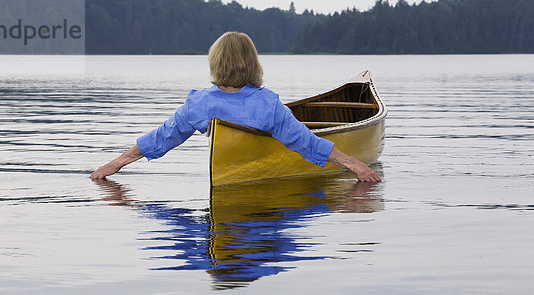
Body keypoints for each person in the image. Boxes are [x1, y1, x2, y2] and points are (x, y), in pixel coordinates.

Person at [90, 32, 381, 183]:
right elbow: (306, 142)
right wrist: (356, 165)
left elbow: (163, 137)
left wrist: (115, 164)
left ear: (215, 62)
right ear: (252, 63)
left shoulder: (200, 103)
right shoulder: (269, 105)